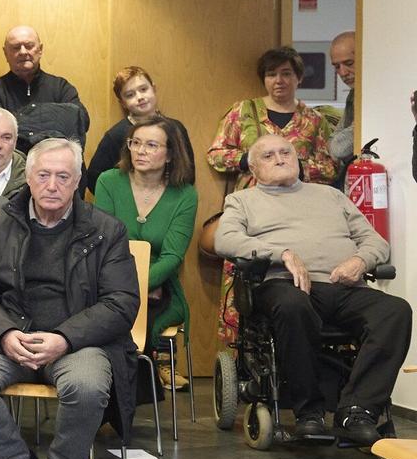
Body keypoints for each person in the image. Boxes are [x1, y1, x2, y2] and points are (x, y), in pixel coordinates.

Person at [0, 139, 139, 459]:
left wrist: (64, 339)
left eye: (63, 176)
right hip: (11, 338)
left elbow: (121, 303)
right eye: (44, 175)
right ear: (29, 179)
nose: (52, 185)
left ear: (77, 182)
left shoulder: (106, 230)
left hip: (77, 343)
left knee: (87, 387)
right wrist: (3, 334)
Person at [213, 134, 408, 446]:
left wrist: (360, 260)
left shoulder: (331, 196)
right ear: (254, 170)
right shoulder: (243, 201)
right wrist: (282, 254)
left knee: (395, 310)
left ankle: (356, 411)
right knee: (292, 304)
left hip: (341, 285)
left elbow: (376, 242)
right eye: (268, 155)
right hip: (283, 286)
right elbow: (225, 240)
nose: (279, 158)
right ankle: (309, 413)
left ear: (297, 159)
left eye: (285, 152)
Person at [207, 46, 339, 353]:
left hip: (298, 210)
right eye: (270, 74)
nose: (278, 80)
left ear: (298, 78)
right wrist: (252, 161)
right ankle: (244, 352)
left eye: (286, 73)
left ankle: (299, 345)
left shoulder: (314, 120)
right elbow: (215, 155)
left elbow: (330, 167)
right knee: (245, 267)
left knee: (298, 268)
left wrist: (297, 168)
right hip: (252, 208)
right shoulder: (243, 112)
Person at [91, 112, 197, 350]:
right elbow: (102, 243)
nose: (140, 151)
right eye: (135, 143)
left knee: (140, 321)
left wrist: (143, 283)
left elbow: (172, 256)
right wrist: (130, 286)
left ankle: (141, 383)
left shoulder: (185, 194)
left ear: (170, 154)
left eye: (151, 145)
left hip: (159, 284)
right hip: (107, 279)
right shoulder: (108, 181)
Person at [0, 26, 89, 152]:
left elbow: (80, 120)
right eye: (16, 47)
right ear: (6, 53)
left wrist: (18, 121)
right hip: (14, 166)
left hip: (58, 162)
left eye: (29, 46)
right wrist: (53, 121)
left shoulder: (61, 87)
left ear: (40, 50)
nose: (23, 52)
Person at [83, 66, 167, 192]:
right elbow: (94, 179)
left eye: (143, 89)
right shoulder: (115, 136)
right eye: (130, 95)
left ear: (154, 89)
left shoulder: (175, 129)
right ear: (122, 103)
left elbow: (187, 173)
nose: (139, 97)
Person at [329, 31, 357, 170]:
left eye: (349, 63)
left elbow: (338, 148)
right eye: (336, 67)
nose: (343, 73)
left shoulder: (375, 94)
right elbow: (334, 146)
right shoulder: (354, 94)